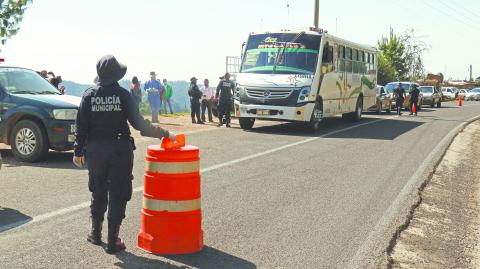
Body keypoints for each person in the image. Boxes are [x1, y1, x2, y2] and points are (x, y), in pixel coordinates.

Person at [73, 55, 176, 254]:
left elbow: (81, 126)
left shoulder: (88, 95)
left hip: (95, 151)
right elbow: (141, 126)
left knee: (98, 190)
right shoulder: (123, 95)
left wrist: (78, 150)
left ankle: (95, 234)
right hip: (119, 150)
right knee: (118, 194)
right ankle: (113, 241)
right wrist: (165, 133)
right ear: (117, 74)